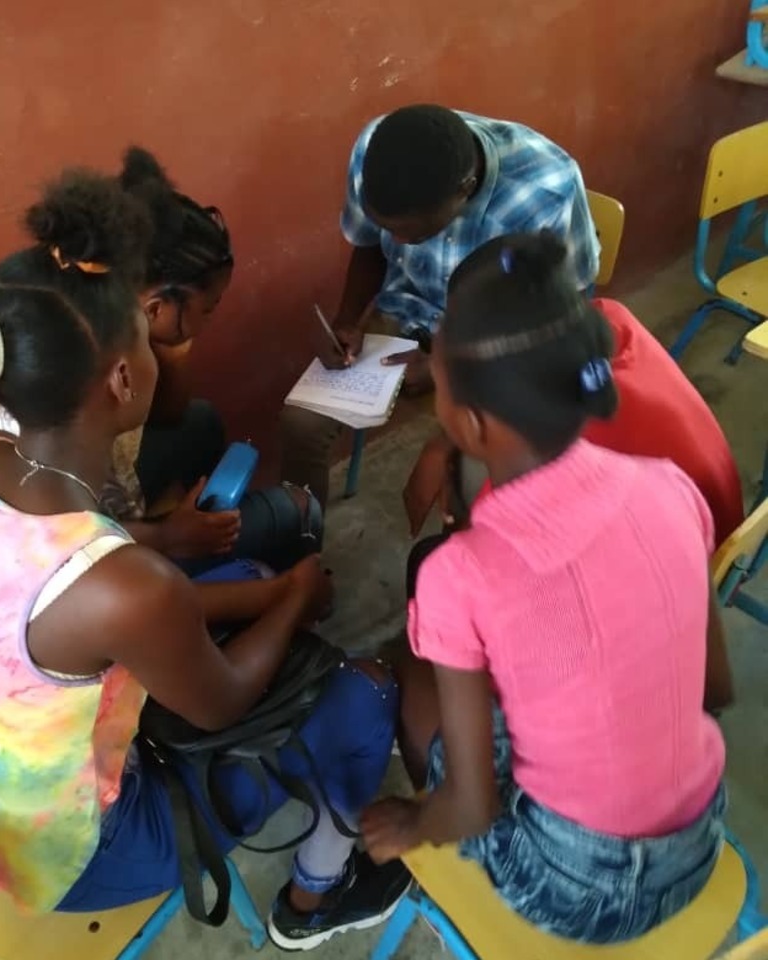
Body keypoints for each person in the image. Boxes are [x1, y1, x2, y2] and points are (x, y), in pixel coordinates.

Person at [0, 169, 408, 949]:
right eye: (148, 341)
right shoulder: (123, 584)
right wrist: (293, 595)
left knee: (239, 582)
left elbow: (96, 601)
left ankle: (265, 599)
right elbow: (223, 702)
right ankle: (318, 896)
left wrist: (258, 590)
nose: (162, 349)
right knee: (365, 693)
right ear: (119, 377)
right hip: (80, 856)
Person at [360, 233, 732, 944]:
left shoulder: (457, 573)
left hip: (579, 893)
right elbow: (710, 689)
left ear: (467, 423)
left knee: (413, 675)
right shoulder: (667, 484)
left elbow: (471, 808)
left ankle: (430, 863)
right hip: (699, 842)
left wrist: (412, 823)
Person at [0, 147, 320, 575]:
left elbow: (171, 415)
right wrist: (167, 537)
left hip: (75, 521)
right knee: (300, 513)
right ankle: (225, 579)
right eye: (208, 308)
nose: (210, 319)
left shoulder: (75, 307)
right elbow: (67, 547)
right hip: (83, 557)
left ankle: (202, 543)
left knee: (200, 422)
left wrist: (174, 352)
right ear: (154, 310)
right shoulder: (86, 398)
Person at [280, 103, 599, 507]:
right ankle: (299, 560)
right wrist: (346, 321)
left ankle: (457, 562)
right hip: (405, 311)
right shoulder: (378, 149)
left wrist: (447, 367)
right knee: (301, 424)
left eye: (410, 232)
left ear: (464, 189)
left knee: (475, 482)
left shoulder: (547, 190)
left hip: (498, 344)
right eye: (387, 228)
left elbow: (557, 314)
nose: (393, 242)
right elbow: (366, 245)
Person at [403, 296, 747, 589]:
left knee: (433, 568)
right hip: (712, 543)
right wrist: (444, 442)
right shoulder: (605, 319)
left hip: (665, 581)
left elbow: (478, 548)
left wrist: (454, 515)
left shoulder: (552, 440)